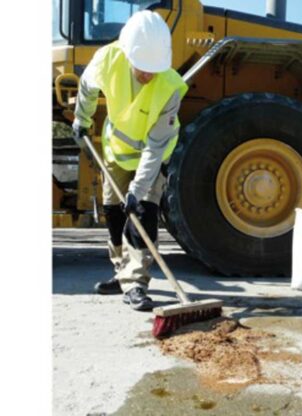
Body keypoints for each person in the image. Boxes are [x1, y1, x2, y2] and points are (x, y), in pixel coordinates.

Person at [72, 10, 188, 311]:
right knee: (113, 211)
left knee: (142, 210)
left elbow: (155, 146)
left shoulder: (170, 87)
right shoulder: (107, 59)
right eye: (142, 67)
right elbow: (86, 89)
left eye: (154, 69)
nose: (148, 75)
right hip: (115, 151)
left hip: (152, 157)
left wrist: (137, 188)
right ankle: (121, 273)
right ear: (127, 53)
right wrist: (81, 120)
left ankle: (136, 282)